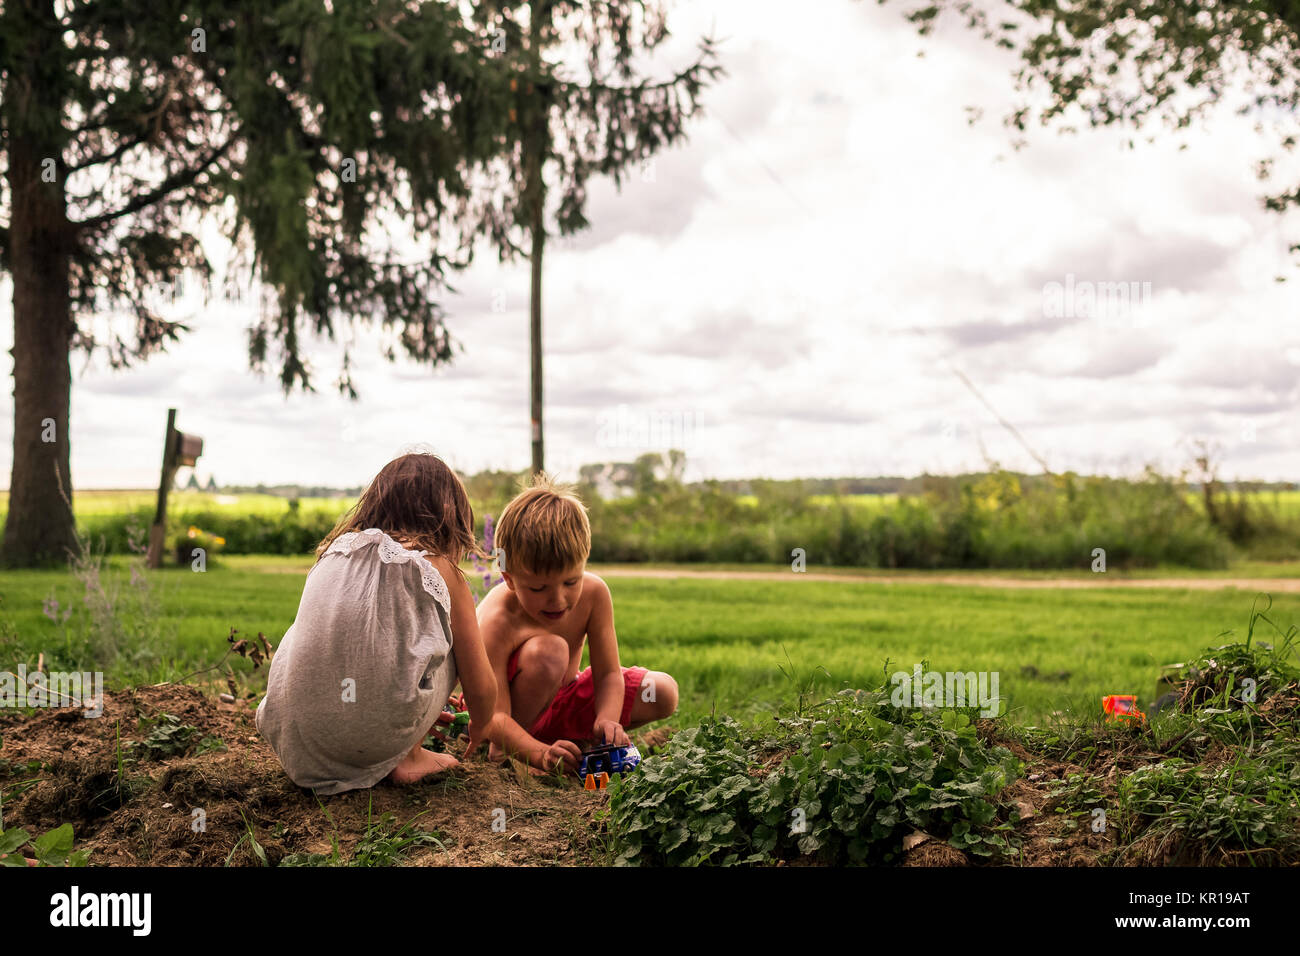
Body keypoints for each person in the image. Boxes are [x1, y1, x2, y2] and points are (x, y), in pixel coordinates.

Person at [255, 453, 503, 794]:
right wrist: (483, 723)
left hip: (294, 739)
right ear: (452, 519)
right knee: (453, 639)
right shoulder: (442, 569)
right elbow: (480, 688)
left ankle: (398, 738)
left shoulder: (334, 552)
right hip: (372, 736)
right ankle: (409, 757)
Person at [476, 473, 678, 774]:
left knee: (662, 690)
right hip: (502, 720)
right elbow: (493, 716)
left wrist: (608, 718)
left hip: (563, 698)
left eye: (571, 581)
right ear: (509, 579)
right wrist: (539, 754)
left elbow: (608, 673)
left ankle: (576, 742)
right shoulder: (496, 619)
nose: (558, 600)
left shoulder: (595, 594)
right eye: (538, 589)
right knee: (551, 651)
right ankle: (510, 753)